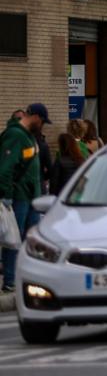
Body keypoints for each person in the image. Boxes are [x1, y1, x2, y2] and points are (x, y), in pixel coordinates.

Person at [0, 104, 48, 292]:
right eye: (42, 121)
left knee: (30, 241)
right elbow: (6, 168)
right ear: (35, 117)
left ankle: (26, 278)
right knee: (14, 238)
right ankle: (11, 280)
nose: (43, 125)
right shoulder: (15, 135)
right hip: (19, 196)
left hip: (31, 196)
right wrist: (7, 194)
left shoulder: (28, 136)